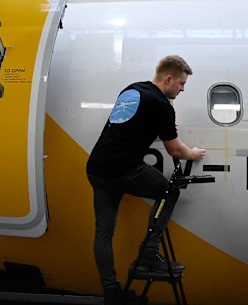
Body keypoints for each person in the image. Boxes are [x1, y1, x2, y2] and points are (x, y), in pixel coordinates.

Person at [86, 55, 205, 305]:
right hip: (123, 169)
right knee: (170, 192)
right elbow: (175, 150)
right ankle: (149, 252)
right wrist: (192, 153)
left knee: (103, 232)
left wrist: (163, 128)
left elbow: (129, 127)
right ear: (169, 78)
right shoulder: (161, 104)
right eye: (181, 83)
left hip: (97, 167)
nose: (182, 89)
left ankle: (111, 292)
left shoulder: (133, 90)